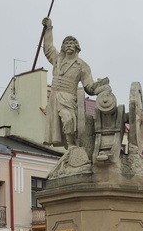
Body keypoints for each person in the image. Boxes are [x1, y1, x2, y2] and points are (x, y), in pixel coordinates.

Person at [42, 16, 108, 150]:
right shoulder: (57, 60)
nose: (69, 46)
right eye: (66, 44)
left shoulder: (82, 66)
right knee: (63, 120)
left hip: (69, 98)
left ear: (77, 47)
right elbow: (48, 48)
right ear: (63, 47)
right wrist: (48, 28)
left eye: (72, 43)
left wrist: (99, 87)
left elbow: (89, 87)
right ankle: (70, 145)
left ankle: (71, 145)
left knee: (68, 119)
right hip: (55, 98)